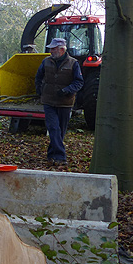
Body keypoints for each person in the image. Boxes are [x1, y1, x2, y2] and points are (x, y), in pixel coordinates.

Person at [34, 37, 83, 167]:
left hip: (65, 102)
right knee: (53, 128)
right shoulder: (46, 62)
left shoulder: (74, 63)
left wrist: (67, 90)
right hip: (48, 101)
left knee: (60, 131)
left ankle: (51, 155)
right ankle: (61, 157)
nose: (51, 51)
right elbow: (38, 77)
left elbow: (79, 82)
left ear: (62, 50)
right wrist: (40, 91)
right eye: (50, 49)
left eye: (53, 49)